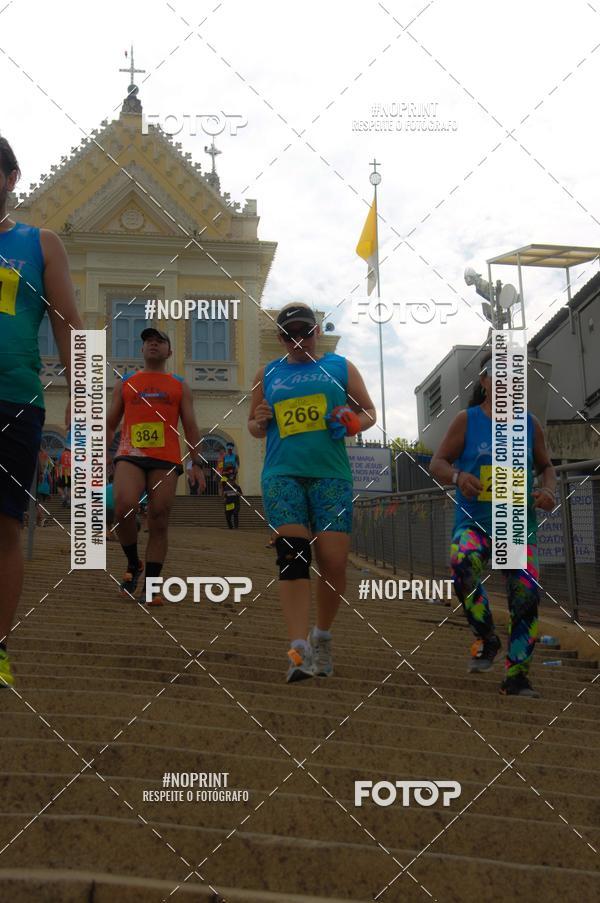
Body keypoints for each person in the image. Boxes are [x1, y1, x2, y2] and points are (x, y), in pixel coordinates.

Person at [248, 303, 376, 683]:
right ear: (280, 338)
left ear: (317, 332)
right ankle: (297, 649)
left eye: (304, 332)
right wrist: (258, 421)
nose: (297, 340)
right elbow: (255, 427)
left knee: (334, 563)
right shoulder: (266, 373)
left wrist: (353, 421)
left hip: (330, 477)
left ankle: (321, 636)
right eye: (289, 335)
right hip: (282, 473)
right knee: (293, 557)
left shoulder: (339, 367)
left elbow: (368, 411)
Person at [0, 135, 83, 687]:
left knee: (4, 527)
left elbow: (70, 331)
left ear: (11, 179)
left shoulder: (40, 243)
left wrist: (90, 416)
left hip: (14, 400)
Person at [429, 349, 557, 698]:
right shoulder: (467, 420)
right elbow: (437, 462)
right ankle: (487, 637)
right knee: (462, 563)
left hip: (516, 526)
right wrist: (458, 476)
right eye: (496, 374)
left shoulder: (530, 424)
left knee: (525, 598)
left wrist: (547, 490)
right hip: (475, 522)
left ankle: (517, 677)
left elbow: (546, 466)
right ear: (484, 382)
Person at [106, 327, 206, 606]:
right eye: (149, 341)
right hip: (130, 453)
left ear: (169, 351)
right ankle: (132, 562)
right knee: (124, 505)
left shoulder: (179, 384)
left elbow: (191, 425)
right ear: (142, 350)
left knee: (159, 517)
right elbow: (111, 422)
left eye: (160, 341)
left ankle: (151, 586)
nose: (153, 344)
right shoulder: (126, 382)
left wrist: (196, 462)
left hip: (166, 458)